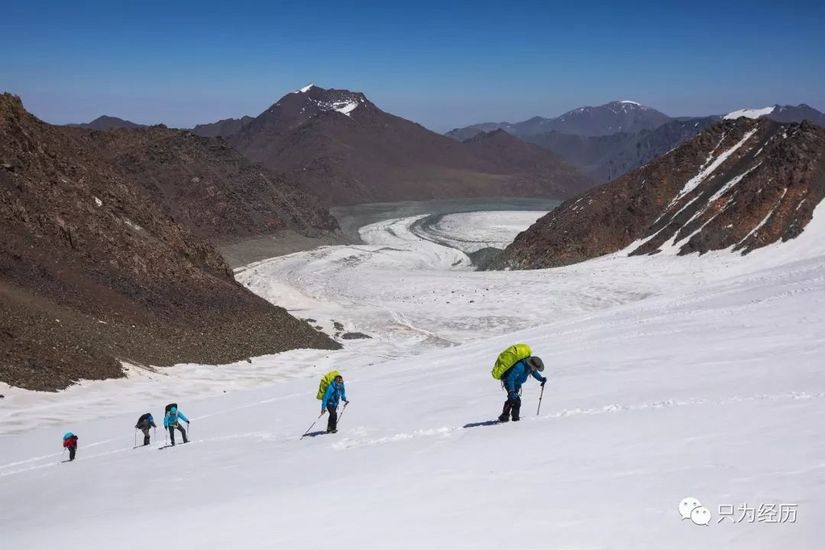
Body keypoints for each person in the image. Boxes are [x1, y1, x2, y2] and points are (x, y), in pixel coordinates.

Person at [498, 356, 547, 422]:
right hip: (509, 383)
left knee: (512, 400)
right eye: (535, 368)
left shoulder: (530, 368)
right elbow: (510, 379)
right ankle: (513, 418)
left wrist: (541, 379)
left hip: (517, 385)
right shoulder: (519, 367)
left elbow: (534, 373)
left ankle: (506, 417)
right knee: (516, 400)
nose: (535, 369)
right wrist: (511, 391)